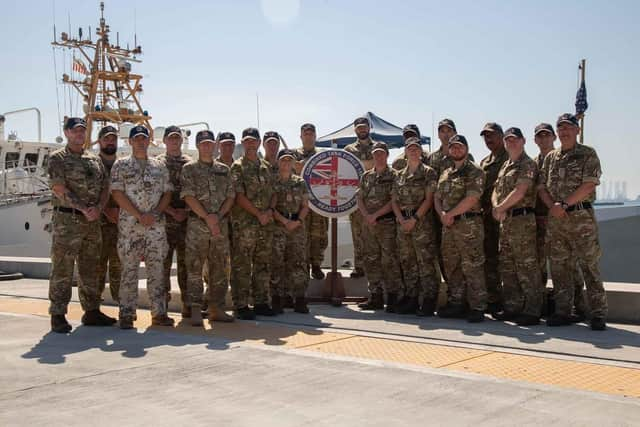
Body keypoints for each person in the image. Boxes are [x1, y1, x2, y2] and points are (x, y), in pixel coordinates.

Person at [537, 113, 607, 331]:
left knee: (589, 266)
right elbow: (541, 188)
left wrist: (564, 205)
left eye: (569, 127)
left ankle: (597, 313)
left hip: (581, 219)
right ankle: (563, 311)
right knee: (560, 267)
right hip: (557, 220)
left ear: (577, 130)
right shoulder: (550, 158)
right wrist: (552, 206)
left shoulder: (587, 154)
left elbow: (589, 184)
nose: (564, 131)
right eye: (561, 128)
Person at [47, 117, 116, 333]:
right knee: (62, 268)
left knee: (91, 268)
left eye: (83, 131)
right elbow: (59, 188)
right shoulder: (57, 159)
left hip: (92, 222)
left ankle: (92, 311)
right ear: (66, 133)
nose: (80, 134)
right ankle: (58, 314)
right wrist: (83, 208)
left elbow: (106, 188)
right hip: (68, 221)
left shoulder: (93, 160)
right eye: (75, 131)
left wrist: (99, 208)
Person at [110, 125, 174, 329]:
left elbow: (167, 193)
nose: (140, 141)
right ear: (130, 142)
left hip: (155, 228)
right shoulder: (121, 166)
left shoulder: (159, 166)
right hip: (130, 228)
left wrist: (154, 214)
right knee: (129, 271)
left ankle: (159, 313)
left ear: (149, 141)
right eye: (136, 138)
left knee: (157, 271)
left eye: (143, 138)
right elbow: (117, 193)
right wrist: (139, 215)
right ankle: (127, 313)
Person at [181, 130, 235, 326]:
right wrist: (207, 217)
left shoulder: (224, 169)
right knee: (194, 267)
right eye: (203, 143)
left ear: (214, 145)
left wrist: (218, 217)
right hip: (197, 225)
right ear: (197, 146)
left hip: (219, 225)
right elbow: (188, 196)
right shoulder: (189, 169)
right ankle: (196, 308)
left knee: (220, 267)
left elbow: (231, 196)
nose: (207, 146)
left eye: (210, 143)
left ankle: (216, 308)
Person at [533, 123, 586, 320]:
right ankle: (546, 306)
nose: (544, 139)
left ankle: (579, 306)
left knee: (568, 265)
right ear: (535, 140)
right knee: (541, 265)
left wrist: (556, 210)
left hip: (561, 218)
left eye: (547, 135)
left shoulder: (559, 159)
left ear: (553, 137)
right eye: (540, 136)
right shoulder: (533, 162)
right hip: (538, 221)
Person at [491, 127, 541, 325]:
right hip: (506, 221)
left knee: (527, 266)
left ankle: (532, 310)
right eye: (508, 140)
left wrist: (501, 207)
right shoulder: (505, 166)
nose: (511, 143)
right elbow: (495, 190)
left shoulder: (527, 164)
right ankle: (512, 307)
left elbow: (520, 191)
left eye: (514, 139)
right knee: (508, 267)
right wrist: (496, 207)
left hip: (522, 221)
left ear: (523, 141)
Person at [435, 135, 487, 322]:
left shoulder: (475, 171)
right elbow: (437, 197)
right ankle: (456, 303)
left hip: (469, 225)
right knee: (452, 267)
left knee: (472, 266)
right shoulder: (446, 173)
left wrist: (450, 214)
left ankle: (477, 306)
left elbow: (472, 198)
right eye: (453, 147)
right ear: (449, 150)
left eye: (460, 147)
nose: (456, 150)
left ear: (466, 148)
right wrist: (442, 214)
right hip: (448, 227)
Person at [230, 127, 276, 319]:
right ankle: (241, 304)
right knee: (242, 264)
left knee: (262, 264)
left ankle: (261, 302)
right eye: (247, 141)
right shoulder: (237, 167)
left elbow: (274, 193)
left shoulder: (266, 167)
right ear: (243, 142)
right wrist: (258, 213)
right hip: (245, 225)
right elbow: (238, 196)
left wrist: (269, 211)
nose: (250, 144)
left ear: (258, 143)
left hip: (265, 225)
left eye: (253, 140)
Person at [392, 137, 439, 316]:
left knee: (425, 261)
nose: (413, 151)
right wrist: (402, 220)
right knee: (408, 262)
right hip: (403, 224)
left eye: (416, 148)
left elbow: (428, 200)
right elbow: (394, 201)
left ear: (421, 151)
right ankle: (412, 298)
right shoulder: (399, 175)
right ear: (405, 152)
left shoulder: (429, 173)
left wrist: (415, 219)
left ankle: (429, 299)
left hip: (421, 223)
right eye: (409, 148)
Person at [356, 142, 401, 312]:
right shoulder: (366, 176)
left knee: (389, 260)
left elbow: (394, 200)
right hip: (369, 225)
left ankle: (393, 297)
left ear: (387, 155)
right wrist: (367, 215)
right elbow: (359, 197)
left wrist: (375, 215)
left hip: (387, 224)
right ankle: (375, 296)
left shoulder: (396, 176)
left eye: (381, 153)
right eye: (375, 154)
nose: (378, 156)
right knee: (371, 260)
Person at [156, 126, 192, 317]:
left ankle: (188, 304)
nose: (175, 141)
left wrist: (185, 211)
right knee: (163, 265)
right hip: (164, 222)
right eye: (171, 138)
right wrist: (170, 210)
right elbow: (154, 193)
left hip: (186, 222)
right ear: (164, 141)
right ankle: (161, 307)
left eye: (178, 138)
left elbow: (195, 191)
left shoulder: (189, 163)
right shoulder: (157, 164)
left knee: (187, 265)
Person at [270, 149, 311, 314]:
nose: (286, 163)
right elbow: (270, 207)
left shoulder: (300, 182)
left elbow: (305, 206)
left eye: (289, 160)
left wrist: (298, 221)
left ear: (294, 163)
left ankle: (299, 298)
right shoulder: (272, 182)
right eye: (283, 160)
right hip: (278, 226)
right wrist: (284, 221)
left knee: (298, 263)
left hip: (297, 226)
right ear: (279, 162)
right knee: (277, 263)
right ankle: (277, 299)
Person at [479, 122, 509, 314]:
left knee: (510, 261)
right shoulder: (484, 162)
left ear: (501, 136)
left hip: (508, 218)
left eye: (492, 135)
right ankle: (494, 299)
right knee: (489, 260)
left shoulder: (511, 158)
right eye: (486, 137)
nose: (489, 140)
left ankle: (514, 301)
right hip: (487, 219)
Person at [293, 123, 329, 282]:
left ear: (315, 136)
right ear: (301, 136)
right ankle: (303, 267)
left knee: (319, 235)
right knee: (302, 235)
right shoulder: (293, 154)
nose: (308, 136)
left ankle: (316, 265)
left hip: (319, 201)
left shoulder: (323, 155)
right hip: (301, 203)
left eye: (311, 134)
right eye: (305, 134)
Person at [344, 116, 375, 278]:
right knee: (357, 233)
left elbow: (377, 164)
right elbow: (346, 169)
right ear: (355, 129)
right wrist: (367, 165)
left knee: (373, 235)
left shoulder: (378, 146)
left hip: (375, 199)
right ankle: (359, 266)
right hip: (355, 198)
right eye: (359, 127)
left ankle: (372, 268)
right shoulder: (349, 149)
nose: (362, 129)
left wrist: (360, 165)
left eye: (364, 127)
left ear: (369, 128)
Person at [96, 125, 122, 304]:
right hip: (96, 226)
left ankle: (123, 306)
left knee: (119, 267)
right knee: (96, 267)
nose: (110, 142)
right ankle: (93, 308)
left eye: (113, 139)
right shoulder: (91, 163)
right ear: (99, 142)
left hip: (120, 225)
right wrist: (106, 210)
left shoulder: (123, 165)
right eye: (106, 139)